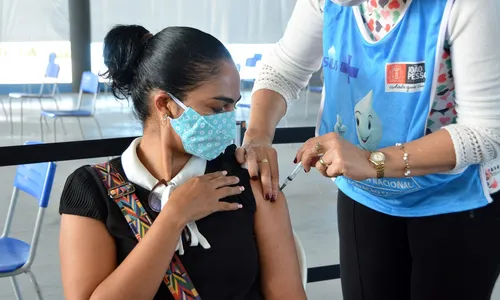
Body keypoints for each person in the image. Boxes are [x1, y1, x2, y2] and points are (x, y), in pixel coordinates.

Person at [238, 0, 500, 299]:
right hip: (366, 196)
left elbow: (486, 130)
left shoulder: (466, 6)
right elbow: (284, 70)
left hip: (455, 200)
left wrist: (372, 160)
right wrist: (257, 135)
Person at [58, 25, 306, 300]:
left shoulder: (247, 178)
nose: (228, 120)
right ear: (164, 104)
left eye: (233, 106)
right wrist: (173, 218)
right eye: (216, 108)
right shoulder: (94, 191)